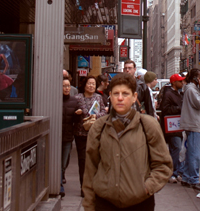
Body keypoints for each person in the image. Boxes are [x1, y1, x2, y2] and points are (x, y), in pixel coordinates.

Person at [82, 73, 173, 211]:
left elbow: (163, 165)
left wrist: (146, 188)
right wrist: (89, 205)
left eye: (125, 93)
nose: (120, 98)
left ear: (134, 97)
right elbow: (90, 170)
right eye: (116, 93)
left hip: (140, 203)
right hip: (105, 203)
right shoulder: (99, 127)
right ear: (110, 96)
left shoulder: (148, 125)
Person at [74, 76, 107, 196]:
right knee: (82, 161)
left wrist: (96, 116)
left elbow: (104, 112)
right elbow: (72, 113)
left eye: (93, 84)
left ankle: (94, 185)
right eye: (89, 84)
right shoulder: (77, 98)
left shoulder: (98, 97)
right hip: (80, 133)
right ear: (85, 85)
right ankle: (84, 187)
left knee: (94, 160)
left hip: (95, 133)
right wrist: (77, 113)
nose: (91, 86)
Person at [179, 68, 200, 192]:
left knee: (190, 152)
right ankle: (194, 179)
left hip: (192, 123)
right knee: (195, 154)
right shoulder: (192, 89)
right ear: (195, 78)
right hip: (194, 124)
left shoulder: (190, 89)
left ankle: (186, 177)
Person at [159, 73, 185, 182]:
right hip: (172, 126)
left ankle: (176, 171)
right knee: (176, 148)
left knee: (177, 149)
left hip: (177, 126)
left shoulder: (178, 94)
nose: (182, 83)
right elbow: (165, 109)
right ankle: (173, 172)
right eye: (180, 81)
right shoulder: (168, 94)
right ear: (174, 83)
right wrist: (179, 108)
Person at [61, 77, 83, 196]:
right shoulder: (55, 100)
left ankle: (61, 174)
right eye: (64, 86)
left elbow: (77, 120)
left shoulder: (74, 101)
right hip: (57, 135)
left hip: (68, 136)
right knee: (58, 162)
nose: (66, 88)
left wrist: (78, 114)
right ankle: (59, 185)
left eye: (68, 86)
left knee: (64, 161)